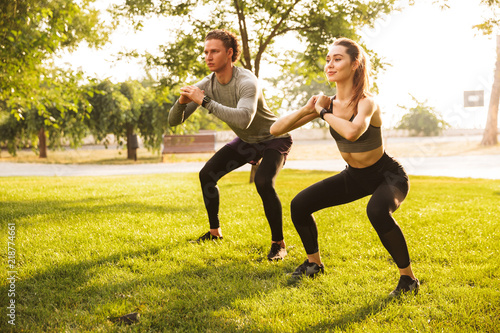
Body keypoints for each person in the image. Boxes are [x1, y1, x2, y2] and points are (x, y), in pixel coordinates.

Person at [270, 37, 419, 296]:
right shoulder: (326, 103)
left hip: (388, 175)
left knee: (376, 210)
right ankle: (313, 263)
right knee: (300, 204)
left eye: (337, 59)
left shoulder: (366, 102)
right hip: (355, 176)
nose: (330, 64)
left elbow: (353, 132)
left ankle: (408, 280)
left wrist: (322, 114)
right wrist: (308, 108)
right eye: (328, 59)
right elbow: (275, 129)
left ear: (355, 65)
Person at [168, 29, 293, 261]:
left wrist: (204, 100)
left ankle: (279, 244)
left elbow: (243, 119)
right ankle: (215, 233)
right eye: (206, 52)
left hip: (274, 138)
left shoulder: (247, 81)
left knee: (264, 181)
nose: (208, 56)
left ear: (229, 53)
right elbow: (174, 120)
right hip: (247, 141)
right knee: (207, 175)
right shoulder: (208, 83)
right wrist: (181, 102)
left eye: (214, 51)